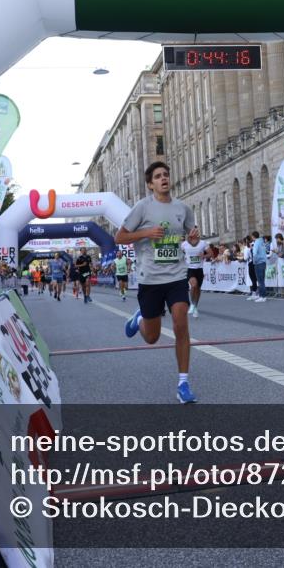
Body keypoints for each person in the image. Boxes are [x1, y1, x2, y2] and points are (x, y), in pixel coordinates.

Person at [116, 161, 200, 404]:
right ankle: (139, 319)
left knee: (180, 323)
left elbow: (191, 238)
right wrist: (145, 233)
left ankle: (183, 383)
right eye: (158, 176)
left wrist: (193, 239)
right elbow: (119, 237)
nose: (164, 178)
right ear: (150, 184)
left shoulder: (182, 208)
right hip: (150, 279)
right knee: (151, 337)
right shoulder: (142, 208)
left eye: (166, 174)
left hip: (176, 276)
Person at [181, 231, 208, 316]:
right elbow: (179, 254)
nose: (194, 234)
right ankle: (192, 304)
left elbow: (210, 253)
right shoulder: (184, 244)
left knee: (198, 289)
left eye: (196, 232)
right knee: (193, 285)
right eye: (192, 232)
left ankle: (195, 306)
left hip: (199, 269)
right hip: (190, 269)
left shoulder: (203, 243)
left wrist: (203, 256)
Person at [250, 230, 268, 303]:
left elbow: (254, 253)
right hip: (263, 262)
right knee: (262, 280)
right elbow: (265, 251)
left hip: (258, 263)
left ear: (253, 236)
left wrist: (254, 261)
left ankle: (263, 296)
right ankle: (261, 295)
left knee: (260, 281)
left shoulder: (256, 243)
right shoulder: (262, 242)